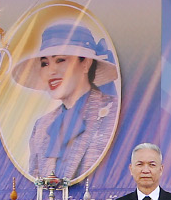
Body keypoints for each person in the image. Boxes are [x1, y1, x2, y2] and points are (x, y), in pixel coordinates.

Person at [18, 20, 119, 183]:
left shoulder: (114, 112)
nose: (51, 71)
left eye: (60, 60)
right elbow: (35, 184)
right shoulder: (42, 125)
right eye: (44, 63)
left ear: (86, 64)